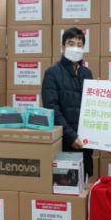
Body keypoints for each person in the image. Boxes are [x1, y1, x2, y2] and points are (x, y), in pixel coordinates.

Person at [42, 27, 94, 177]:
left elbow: (92, 107)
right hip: (64, 143)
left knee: (84, 181)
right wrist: (71, 137)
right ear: (62, 47)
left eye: (79, 45)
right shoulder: (52, 73)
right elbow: (52, 109)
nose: (75, 48)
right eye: (71, 44)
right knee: (64, 183)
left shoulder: (87, 73)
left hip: (84, 143)